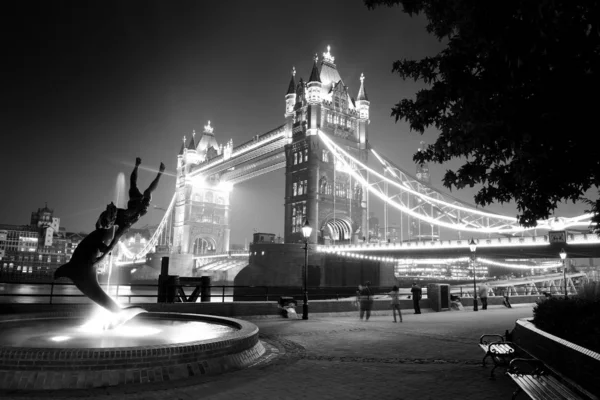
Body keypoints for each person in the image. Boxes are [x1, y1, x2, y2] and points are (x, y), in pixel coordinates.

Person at [96, 157, 165, 263]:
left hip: (134, 202)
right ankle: (159, 173)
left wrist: (101, 254)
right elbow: (113, 243)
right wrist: (101, 256)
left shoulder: (116, 213)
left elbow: (99, 222)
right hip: (140, 207)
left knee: (133, 183)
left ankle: (142, 167)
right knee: (148, 191)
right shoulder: (125, 225)